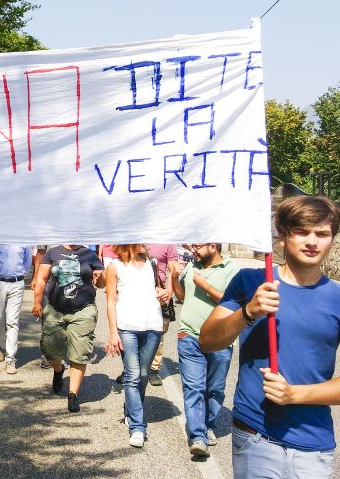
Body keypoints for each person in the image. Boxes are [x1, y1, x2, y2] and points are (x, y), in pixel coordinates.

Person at [200, 195, 340, 478]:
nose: (312, 241)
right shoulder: (251, 281)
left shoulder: (337, 297)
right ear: (282, 235)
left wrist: (294, 394)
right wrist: (247, 312)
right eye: (301, 231)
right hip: (255, 436)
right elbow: (208, 341)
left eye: (322, 233)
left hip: (314, 445)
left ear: (332, 238)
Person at [172, 242, 239, 458]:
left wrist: (205, 286)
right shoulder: (192, 267)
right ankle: (198, 436)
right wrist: (174, 278)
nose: (193, 249)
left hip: (221, 339)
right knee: (193, 387)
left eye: (197, 246)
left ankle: (208, 424)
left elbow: (235, 303)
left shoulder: (232, 270)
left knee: (216, 388)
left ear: (212, 246)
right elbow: (181, 296)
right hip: (189, 336)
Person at [105, 243, 171, 448]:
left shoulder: (152, 263)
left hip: (152, 325)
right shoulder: (115, 266)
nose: (147, 242)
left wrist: (164, 293)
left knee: (143, 375)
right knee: (133, 375)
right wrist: (113, 332)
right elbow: (110, 301)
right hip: (126, 328)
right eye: (142, 238)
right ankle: (137, 427)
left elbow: (159, 290)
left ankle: (131, 408)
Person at [32, 245, 104, 412]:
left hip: (83, 309)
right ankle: (58, 369)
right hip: (55, 308)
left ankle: (73, 394)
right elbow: (42, 278)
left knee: (79, 351)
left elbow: (100, 284)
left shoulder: (89, 254)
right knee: (48, 348)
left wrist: (100, 278)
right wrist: (36, 301)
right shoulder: (53, 253)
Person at [0, 245, 32, 374]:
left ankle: (10, 359)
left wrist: (22, 273)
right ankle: (2, 347)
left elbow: (28, 261)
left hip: (17, 283)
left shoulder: (23, 239)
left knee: (12, 321)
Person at [145, 243, 179, 386]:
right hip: (140, 291)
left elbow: (172, 270)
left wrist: (169, 293)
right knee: (134, 329)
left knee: (158, 331)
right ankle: (131, 368)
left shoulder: (168, 243)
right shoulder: (140, 238)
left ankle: (153, 369)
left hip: (161, 293)